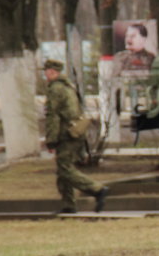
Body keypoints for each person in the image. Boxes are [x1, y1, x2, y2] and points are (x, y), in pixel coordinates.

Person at [43, 59, 109, 214]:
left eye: (46, 71)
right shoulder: (68, 86)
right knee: (63, 170)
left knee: (65, 169)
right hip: (76, 131)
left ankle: (97, 189)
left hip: (66, 134)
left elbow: (53, 116)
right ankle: (68, 206)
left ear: (52, 72)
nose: (45, 74)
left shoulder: (55, 89)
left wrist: (51, 140)